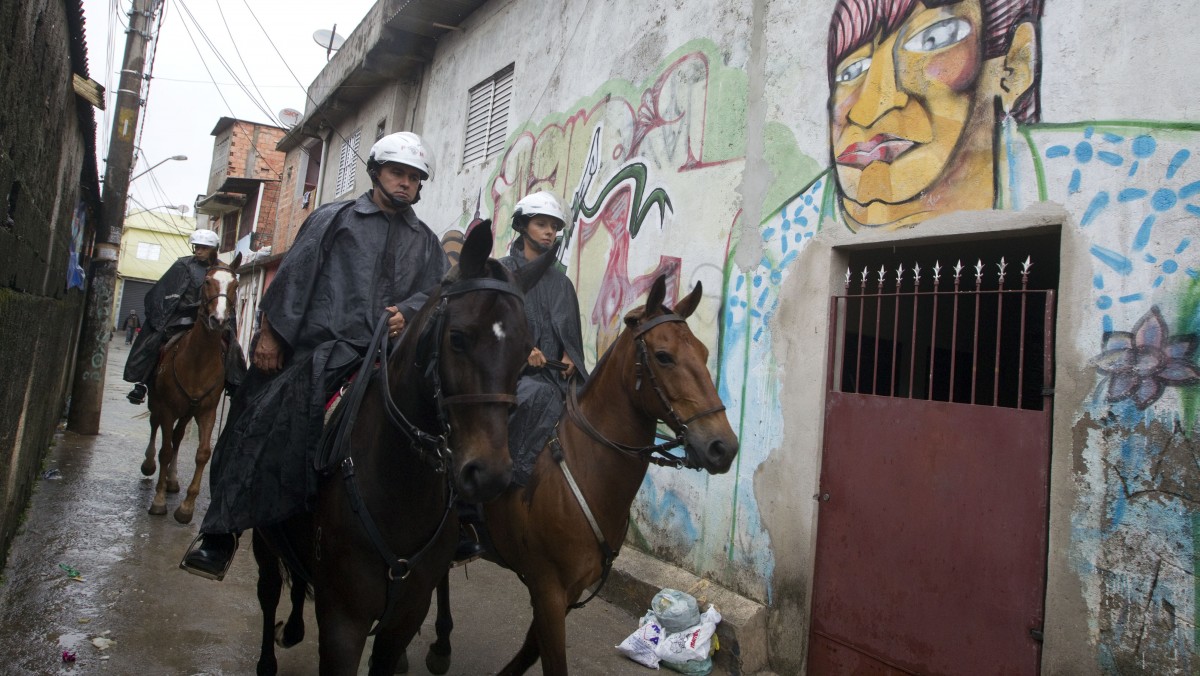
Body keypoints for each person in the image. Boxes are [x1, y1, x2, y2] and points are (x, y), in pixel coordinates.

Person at [182, 131, 449, 580]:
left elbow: (437, 294)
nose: (405, 183)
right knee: (257, 418)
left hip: (390, 357)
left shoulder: (426, 241)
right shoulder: (334, 218)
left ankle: (457, 529)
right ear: (376, 173)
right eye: (397, 173)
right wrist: (271, 335)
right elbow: (295, 277)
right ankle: (221, 532)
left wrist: (408, 310)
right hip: (324, 352)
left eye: (414, 177)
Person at [498, 191, 588, 483]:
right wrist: (522, 350)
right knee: (535, 394)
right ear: (523, 226)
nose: (550, 232)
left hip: (558, 379)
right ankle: (507, 476)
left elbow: (571, 337)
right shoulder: (500, 273)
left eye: (554, 226)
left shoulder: (562, 283)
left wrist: (569, 357)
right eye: (541, 224)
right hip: (510, 378)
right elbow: (489, 329)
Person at [123, 229, 247, 405]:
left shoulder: (221, 269)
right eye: (197, 247)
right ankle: (142, 382)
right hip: (181, 318)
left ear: (213, 250)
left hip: (209, 319)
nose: (199, 251)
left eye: (204, 248)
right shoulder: (183, 265)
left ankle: (234, 384)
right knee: (155, 340)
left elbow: (225, 296)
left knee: (232, 344)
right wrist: (177, 308)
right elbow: (166, 293)